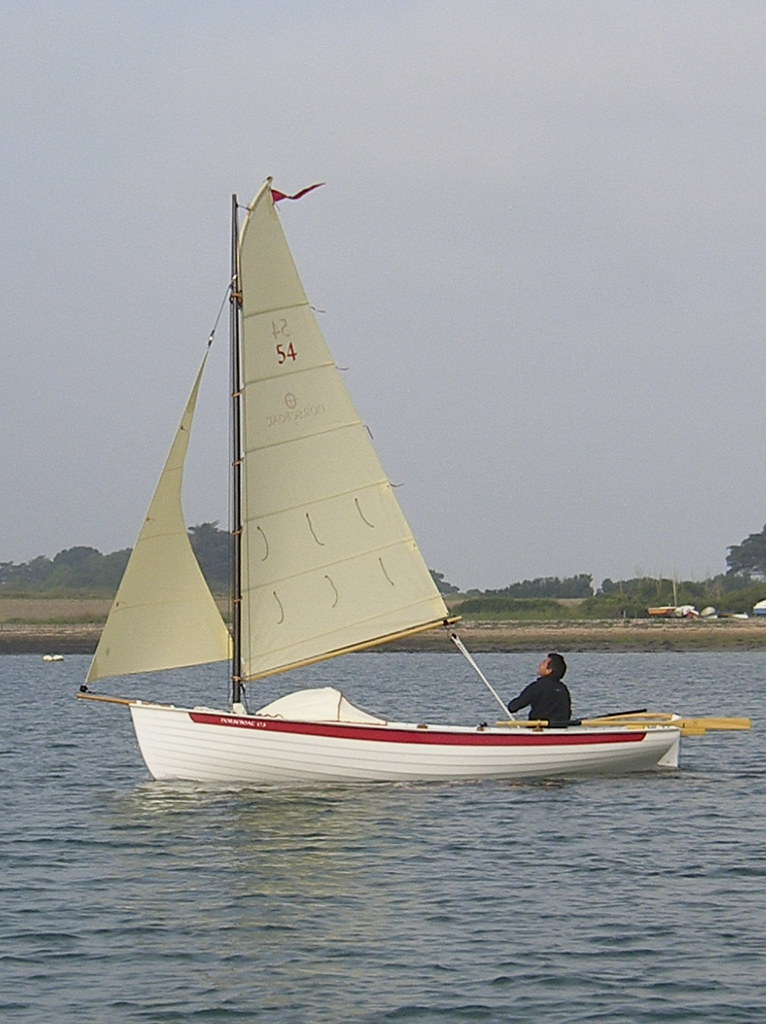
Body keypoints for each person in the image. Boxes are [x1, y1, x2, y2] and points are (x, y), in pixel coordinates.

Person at [507, 652, 571, 724]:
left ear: (549, 670)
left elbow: (513, 707)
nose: (540, 665)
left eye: (543, 663)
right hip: (561, 728)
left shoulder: (537, 687)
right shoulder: (563, 689)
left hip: (539, 728)